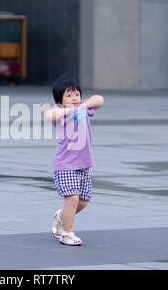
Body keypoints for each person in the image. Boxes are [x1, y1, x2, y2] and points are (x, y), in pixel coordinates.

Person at [45, 78, 105, 246]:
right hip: (65, 165)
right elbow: (49, 116)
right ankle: (67, 233)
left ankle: (61, 216)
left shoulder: (83, 109)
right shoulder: (61, 114)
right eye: (69, 95)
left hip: (84, 164)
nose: (74, 98)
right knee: (71, 199)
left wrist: (83, 105)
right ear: (60, 101)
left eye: (77, 94)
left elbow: (99, 99)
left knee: (83, 201)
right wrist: (67, 110)